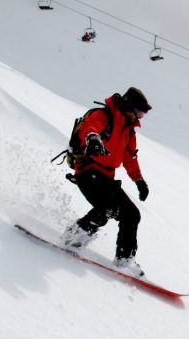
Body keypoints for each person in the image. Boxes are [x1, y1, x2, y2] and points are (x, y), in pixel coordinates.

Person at [62, 87, 152, 277]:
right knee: (107, 207)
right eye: (138, 113)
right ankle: (73, 237)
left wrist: (139, 181)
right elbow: (89, 127)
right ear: (128, 106)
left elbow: (129, 158)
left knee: (131, 214)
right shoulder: (104, 116)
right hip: (88, 171)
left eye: (142, 115)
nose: (139, 118)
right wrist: (93, 138)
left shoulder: (128, 131)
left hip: (107, 177)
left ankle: (124, 258)